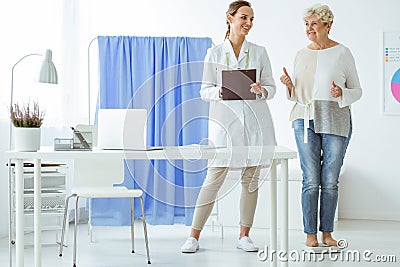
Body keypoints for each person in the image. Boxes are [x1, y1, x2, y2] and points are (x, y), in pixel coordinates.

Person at [180, 0, 276, 253]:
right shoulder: (214, 53)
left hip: (255, 123)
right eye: (244, 17)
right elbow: (204, 91)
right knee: (213, 180)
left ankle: (244, 235)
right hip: (224, 125)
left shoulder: (259, 51)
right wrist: (222, 91)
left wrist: (261, 90)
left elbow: (272, 88)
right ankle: (194, 236)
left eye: (252, 19)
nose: (248, 23)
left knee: (251, 180)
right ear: (229, 18)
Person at [280, 4, 362, 247]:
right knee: (310, 179)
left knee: (329, 180)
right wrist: (289, 86)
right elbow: (299, 95)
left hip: (335, 119)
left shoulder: (342, 53)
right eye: (306, 25)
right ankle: (310, 234)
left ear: (328, 25)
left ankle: (327, 234)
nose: (309, 29)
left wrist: (341, 93)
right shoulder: (300, 54)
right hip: (304, 118)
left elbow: (357, 91)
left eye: (314, 24)